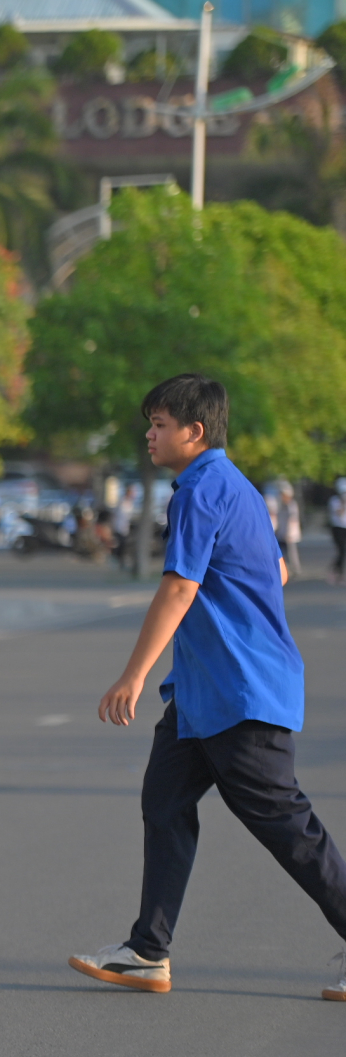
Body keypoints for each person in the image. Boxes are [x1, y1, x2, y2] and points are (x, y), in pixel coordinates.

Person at [73, 374, 346, 1002]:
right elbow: (273, 567)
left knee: (285, 826)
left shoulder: (200, 490)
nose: (150, 433)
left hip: (240, 695)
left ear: (195, 432)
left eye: (160, 424)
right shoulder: (236, 485)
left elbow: (178, 587)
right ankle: (147, 950)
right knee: (164, 803)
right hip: (203, 696)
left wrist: (133, 674)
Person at [271, 479, 302, 580]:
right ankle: (285, 569)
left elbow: (292, 521)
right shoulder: (281, 505)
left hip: (289, 534)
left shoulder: (291, 506)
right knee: (282, 552)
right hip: (281, 533)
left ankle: (295, 569)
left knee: (291, 553)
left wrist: (288, 533)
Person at [328, 477, 346, 586]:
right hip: (337, 528)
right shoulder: (334, 501)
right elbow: (338, 513)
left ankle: (340, 572)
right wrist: (343, 503)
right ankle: (336, 571)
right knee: (341, 551)